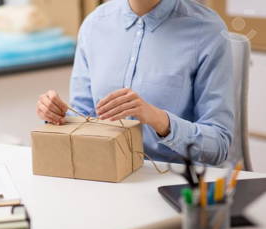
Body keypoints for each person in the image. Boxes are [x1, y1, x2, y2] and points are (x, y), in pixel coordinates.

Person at [36, 0, 234, 165]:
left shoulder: (207, 30)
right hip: (104, 172)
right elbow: (85, 114)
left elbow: (219, 146)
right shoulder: (94, 24)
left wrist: (159, 120)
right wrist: (57, 115)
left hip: (173, 182)